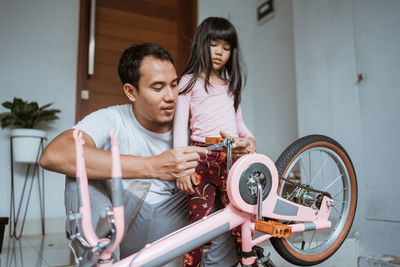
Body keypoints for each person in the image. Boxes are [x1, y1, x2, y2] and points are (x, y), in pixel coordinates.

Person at [40, 42, 254, 265]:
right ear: (131, 92)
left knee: (227, 185)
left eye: (173, 85)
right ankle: (97, 260)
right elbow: (54, 154)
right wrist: (154, 166)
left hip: (174, 225)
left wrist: (239, 150)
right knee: (78, 171)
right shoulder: (113, 118)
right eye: (158, 87)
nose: (171, 96)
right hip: (124, 224)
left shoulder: (195, 122)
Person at [173, 17, 256, 267]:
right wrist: (183, 168)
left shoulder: (231, 87)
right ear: (202, 44)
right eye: (214, 44)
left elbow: (239, 124)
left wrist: (250, 140)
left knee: (242, 220)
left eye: (227, 47)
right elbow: (180, 131)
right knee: (198, 224)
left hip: (232, 160)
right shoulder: (188, 82)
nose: (220, 52)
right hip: (201, 158)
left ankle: (249, 262)